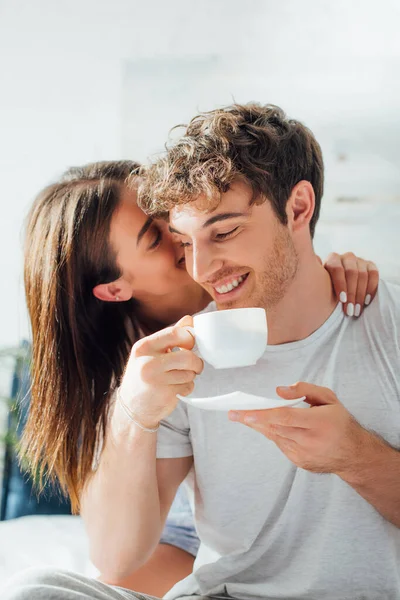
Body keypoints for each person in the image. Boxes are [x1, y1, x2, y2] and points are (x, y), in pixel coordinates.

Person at [2, 131, 383, 600]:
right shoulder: (134, 359)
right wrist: (134, 410)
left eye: (174, 218)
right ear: (116, 289)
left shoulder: (272, 287)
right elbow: (117, 555)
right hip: (182, 526)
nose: (189, 245)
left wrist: (333, 269)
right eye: (159, 237)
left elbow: (291, 263)